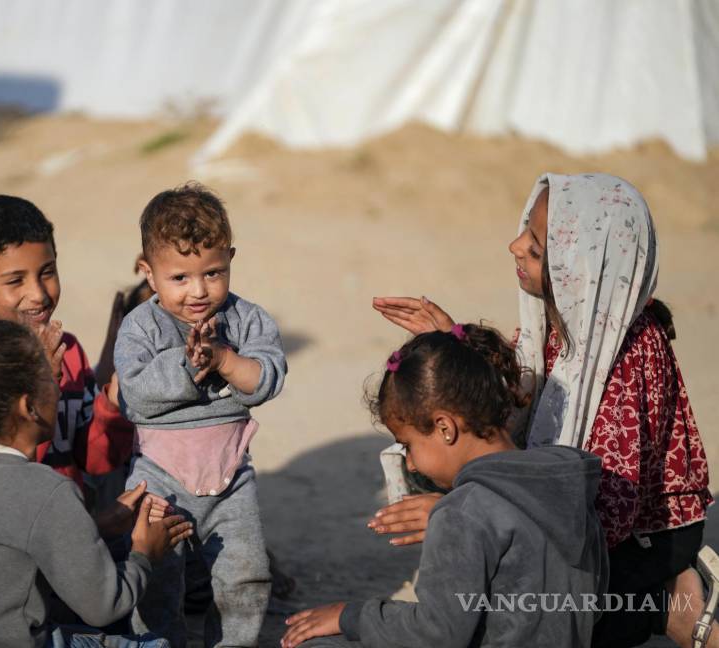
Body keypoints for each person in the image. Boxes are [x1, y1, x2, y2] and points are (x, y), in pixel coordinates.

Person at [372, 173, 715, 648]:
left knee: (524, 608)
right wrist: (455, 348)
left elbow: (600, 513)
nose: (514, 246)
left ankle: (666, 604)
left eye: (535, 248)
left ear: (581, 273)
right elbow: (512, 400)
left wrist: (467, 518)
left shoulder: (628, 354)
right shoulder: (565, 320)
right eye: (525, 233)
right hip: (575, 516)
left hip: (638, 538)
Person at [281, 324, 608, 647]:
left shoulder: (461, 514)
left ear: (445, 428)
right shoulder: (565, 481)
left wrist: (350, 616)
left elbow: (435, 634)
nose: (409, 463)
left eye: (408, 445)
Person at [0, 320, 194, 648]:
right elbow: (104, 605)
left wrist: (100, 526)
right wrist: (144, 552)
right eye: (52, 379)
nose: (59, 387)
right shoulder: (46, 489)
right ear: (29, 407)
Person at [114, 183, 288, 647]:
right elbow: (134, 396)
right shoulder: (140, 327)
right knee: (159, 578)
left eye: (213, 273)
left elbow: (268, 379)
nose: (198, 291)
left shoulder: (248, 320)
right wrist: (188, 366)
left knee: (246, 575)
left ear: (230, 258)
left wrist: (225, 360)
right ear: (148, 273)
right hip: (159, 477)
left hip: (230, 477)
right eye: (180, 278)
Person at [0, 194, 133, 512]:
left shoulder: (66, 350)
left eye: (47, 272)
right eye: (15, 280)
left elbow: (94, 460)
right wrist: (41, 382)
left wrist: (113, 405)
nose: (39, 294)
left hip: (68, 526)